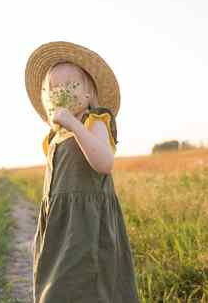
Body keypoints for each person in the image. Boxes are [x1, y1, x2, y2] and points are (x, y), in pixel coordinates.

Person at [24, 41, 140, 303]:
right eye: (53, 88)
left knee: (88, 286)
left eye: (70, 86)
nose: (60, 92)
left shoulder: (94, 122)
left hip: (87, 224)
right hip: (60, 222)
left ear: (89, 94)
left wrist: (75, 126)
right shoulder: (55, 135)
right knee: (55, 287)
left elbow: (104, 163)